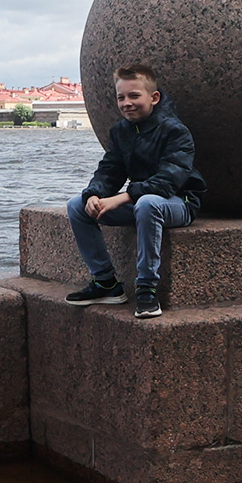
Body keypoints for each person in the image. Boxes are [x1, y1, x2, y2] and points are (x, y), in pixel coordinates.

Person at [63, 63, 205, 319]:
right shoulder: (120, 131)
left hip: (179, 203)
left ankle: (147, 289)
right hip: (141, 202)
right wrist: (94, 194)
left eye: (134, 96)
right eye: (121, 97)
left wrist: (124, 197)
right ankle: (106, 282)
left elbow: (168, 181)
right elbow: (109, 170)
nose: (127, 103)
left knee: (148, 203)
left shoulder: (175, 131)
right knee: (76, 205)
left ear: (154, 97)